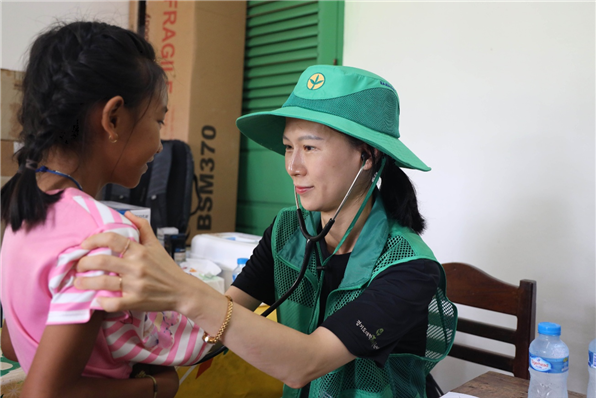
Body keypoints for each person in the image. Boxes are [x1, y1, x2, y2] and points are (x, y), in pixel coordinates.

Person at [75, 65, 456, 398]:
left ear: (367, 156)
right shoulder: (288, 232)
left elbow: (307, 363)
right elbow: (227, 311)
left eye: (310, 147)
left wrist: (180, 288)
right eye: (289, 147)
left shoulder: (408, 269)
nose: (292, 166)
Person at [0, 21, 211, 398]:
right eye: (158, 120)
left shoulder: (19, 205)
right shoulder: (103, 237)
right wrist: (157, 386)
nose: (160, 145)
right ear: (113, 118)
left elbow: (14, 342)